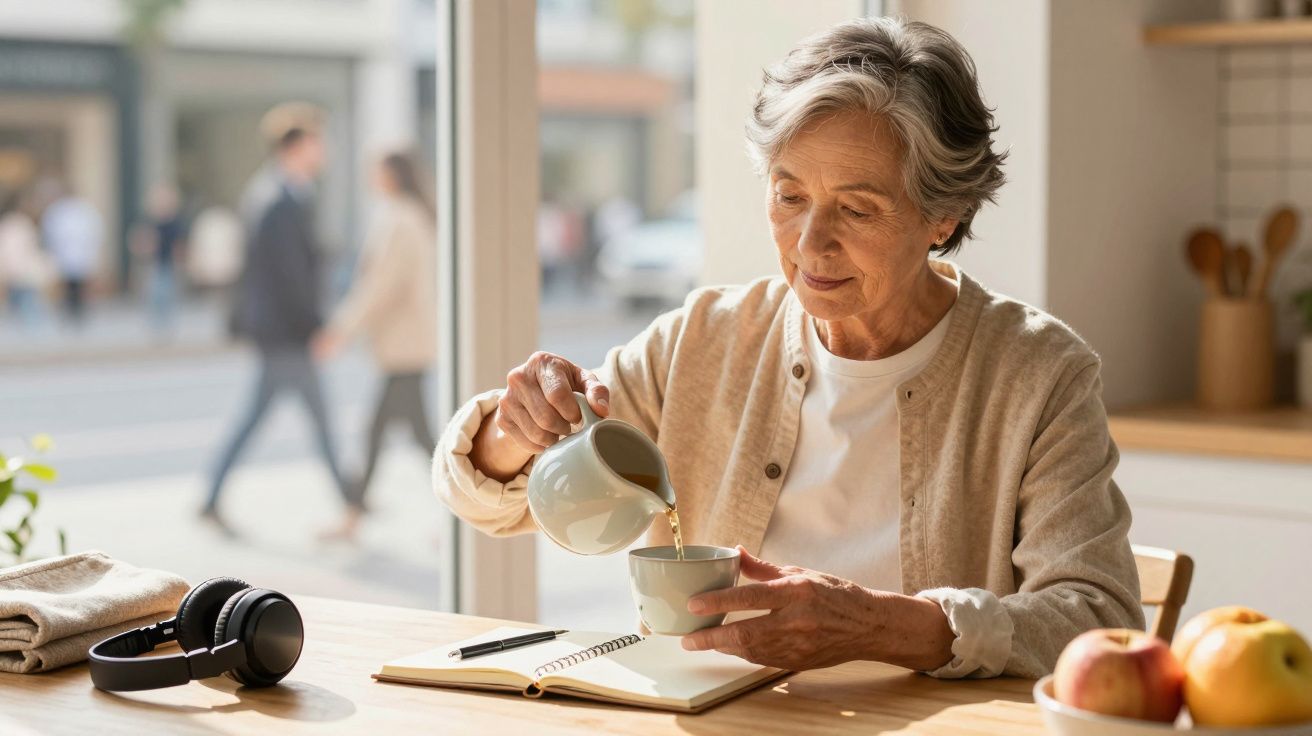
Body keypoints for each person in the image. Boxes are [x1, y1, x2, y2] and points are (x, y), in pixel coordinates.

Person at [433, 17, 1141, 679]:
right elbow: (490, 501)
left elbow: (1097, 621)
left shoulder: (1039, 374)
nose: (809, 244)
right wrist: (514, 430)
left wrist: (880, 627)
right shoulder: (706, 338)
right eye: (788, 195)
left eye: (857, 209)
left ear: (943, 215)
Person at [202, 102, 351, 534]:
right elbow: (288, 277)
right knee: (311, 419)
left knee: (272, 416)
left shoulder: (280, 193)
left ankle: (349, 497)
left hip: (282, 333)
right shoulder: (277, 199)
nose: (324, 150)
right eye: (317, 141)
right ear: (295, 146)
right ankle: (350, 499)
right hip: (286, 334)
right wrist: (316, 327)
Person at [312, 151, 438, 540]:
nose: (371, 177)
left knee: (396, 434)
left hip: (404, 345)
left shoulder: (400, 219)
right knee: (412, 435)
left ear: (393, 175)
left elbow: (382, 285)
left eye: (376, 170)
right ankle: (355, 514)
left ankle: (354, 516)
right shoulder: (410, 215)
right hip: (408, 344)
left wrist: (342, 328)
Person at [40, 185, 102, 325]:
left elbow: (94, 233)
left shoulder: (83, 210)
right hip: (66, 256)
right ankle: (70, 313)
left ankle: (78, 313)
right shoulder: (59, 211)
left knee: (79, 287)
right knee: (68, 288)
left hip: (78, 256)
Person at [140, 184, 187, 337]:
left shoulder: (175, 223)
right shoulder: (152, 221)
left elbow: (178, 244)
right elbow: (144, 241)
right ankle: (156, 325)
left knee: (167, 294)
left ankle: (167, 325)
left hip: (168, 264)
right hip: (155, 263)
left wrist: (180, 262)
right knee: (154, 295)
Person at [0, 192, 51, 330]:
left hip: (15, 267)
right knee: (26, 296)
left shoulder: (8, 224)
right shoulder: (22, 224)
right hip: (21, 267)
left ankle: (26, 324)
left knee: (21, 296)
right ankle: (31, 325)